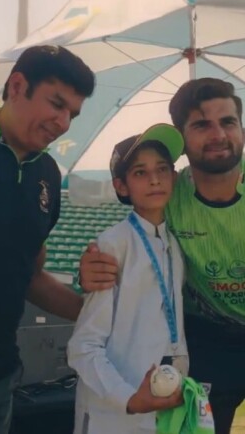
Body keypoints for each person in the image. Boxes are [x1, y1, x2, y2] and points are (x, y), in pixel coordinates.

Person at [79, 78, 245, 434]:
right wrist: (90, 267)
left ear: (242, 130)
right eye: (201, 124)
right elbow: (132, 240)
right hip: (207, 343)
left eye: (227, 122)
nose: (217, 134)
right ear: (182, 140)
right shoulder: (169, 191)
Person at [0, 45, 95, 434]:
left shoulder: (47, 173)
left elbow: (29, 274)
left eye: (72, 114)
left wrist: (98, 315)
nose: (63, 122)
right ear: (16, 86)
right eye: (56, 104)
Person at [68, 125, 186, 434]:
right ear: (121, 186)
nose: (155, 179)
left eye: (162, 169)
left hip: (162, 408)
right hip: (113, 415)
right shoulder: (111, 245)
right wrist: (129, 398)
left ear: (174, 176)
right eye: (140, 173)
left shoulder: (175, 244)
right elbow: (83, 345)